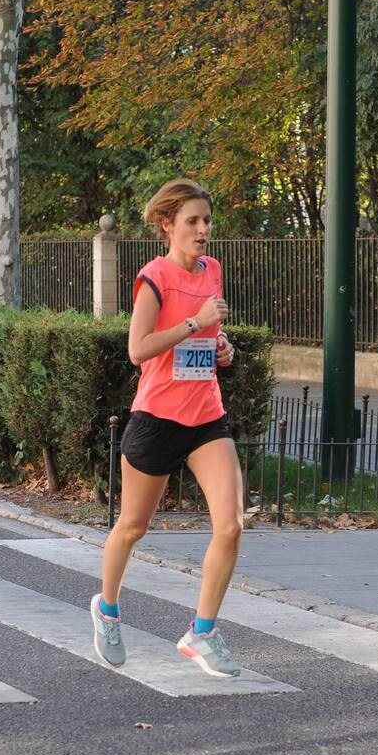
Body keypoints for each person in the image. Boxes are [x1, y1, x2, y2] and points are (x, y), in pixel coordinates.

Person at [91, 178, 244, 677]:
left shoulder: (213, 270)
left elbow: (210, 343)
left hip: (206, 416)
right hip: (157, 418)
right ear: (168, 226)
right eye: (193, 222)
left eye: (206, 221)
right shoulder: (154, 277)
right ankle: (107, 610)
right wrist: (196, 325)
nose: (203, 230)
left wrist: (224, 350)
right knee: (133, 526)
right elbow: (138, 349)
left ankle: (202, 632)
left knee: (231, 524)